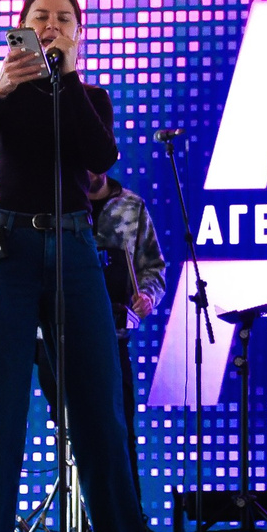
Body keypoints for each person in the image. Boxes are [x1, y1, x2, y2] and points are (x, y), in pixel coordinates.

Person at [0, 0, 155, 532]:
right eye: (40, 17)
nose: (51, 26)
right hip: (8, 248)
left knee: (99, 411)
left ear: (78, 34)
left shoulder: (90, 97)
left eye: (64, 19)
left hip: (74, 247)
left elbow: (100, 155)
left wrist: (67, 82)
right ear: (21, 28)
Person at [86, 166, 165, 502]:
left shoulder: (132, 206)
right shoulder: (59, 205)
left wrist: (147, 296)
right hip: (63, 337)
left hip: (113, 337)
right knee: (76, 432)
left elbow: (154, 268)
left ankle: (130, 520)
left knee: (121, 431)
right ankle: (80, 521)